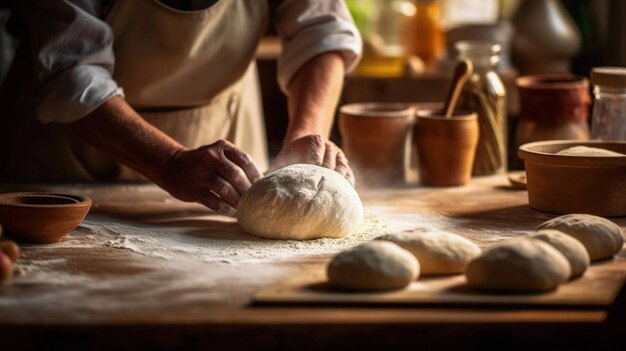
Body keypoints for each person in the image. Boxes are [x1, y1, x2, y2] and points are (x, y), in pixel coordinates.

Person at [0, 0, 362, 214]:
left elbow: (322, 31)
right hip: (77, 147)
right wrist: (168, 160)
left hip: (224, 125)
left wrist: (306, 133)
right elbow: (70, 69)